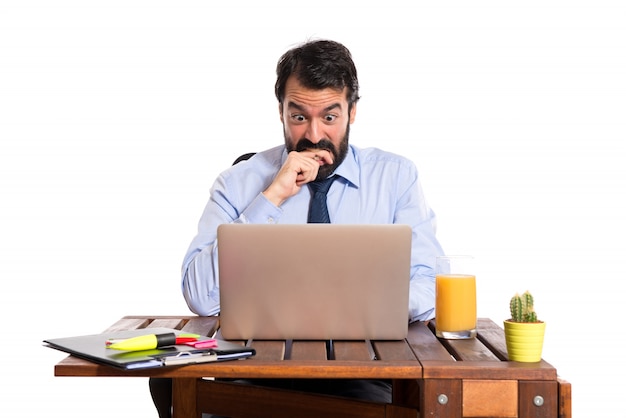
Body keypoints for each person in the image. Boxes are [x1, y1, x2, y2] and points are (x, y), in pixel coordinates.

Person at [150, 39, 444, 417]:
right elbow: (199, 296)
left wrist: (364, 308)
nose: (315, 135)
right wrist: (271, 197)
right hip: (252, 371)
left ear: (352, 112)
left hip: (362, 373)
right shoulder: (239, 182)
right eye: (299, 116)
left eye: (330, 117)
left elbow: (427, 281)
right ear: (281, 113)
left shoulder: (395, 177)